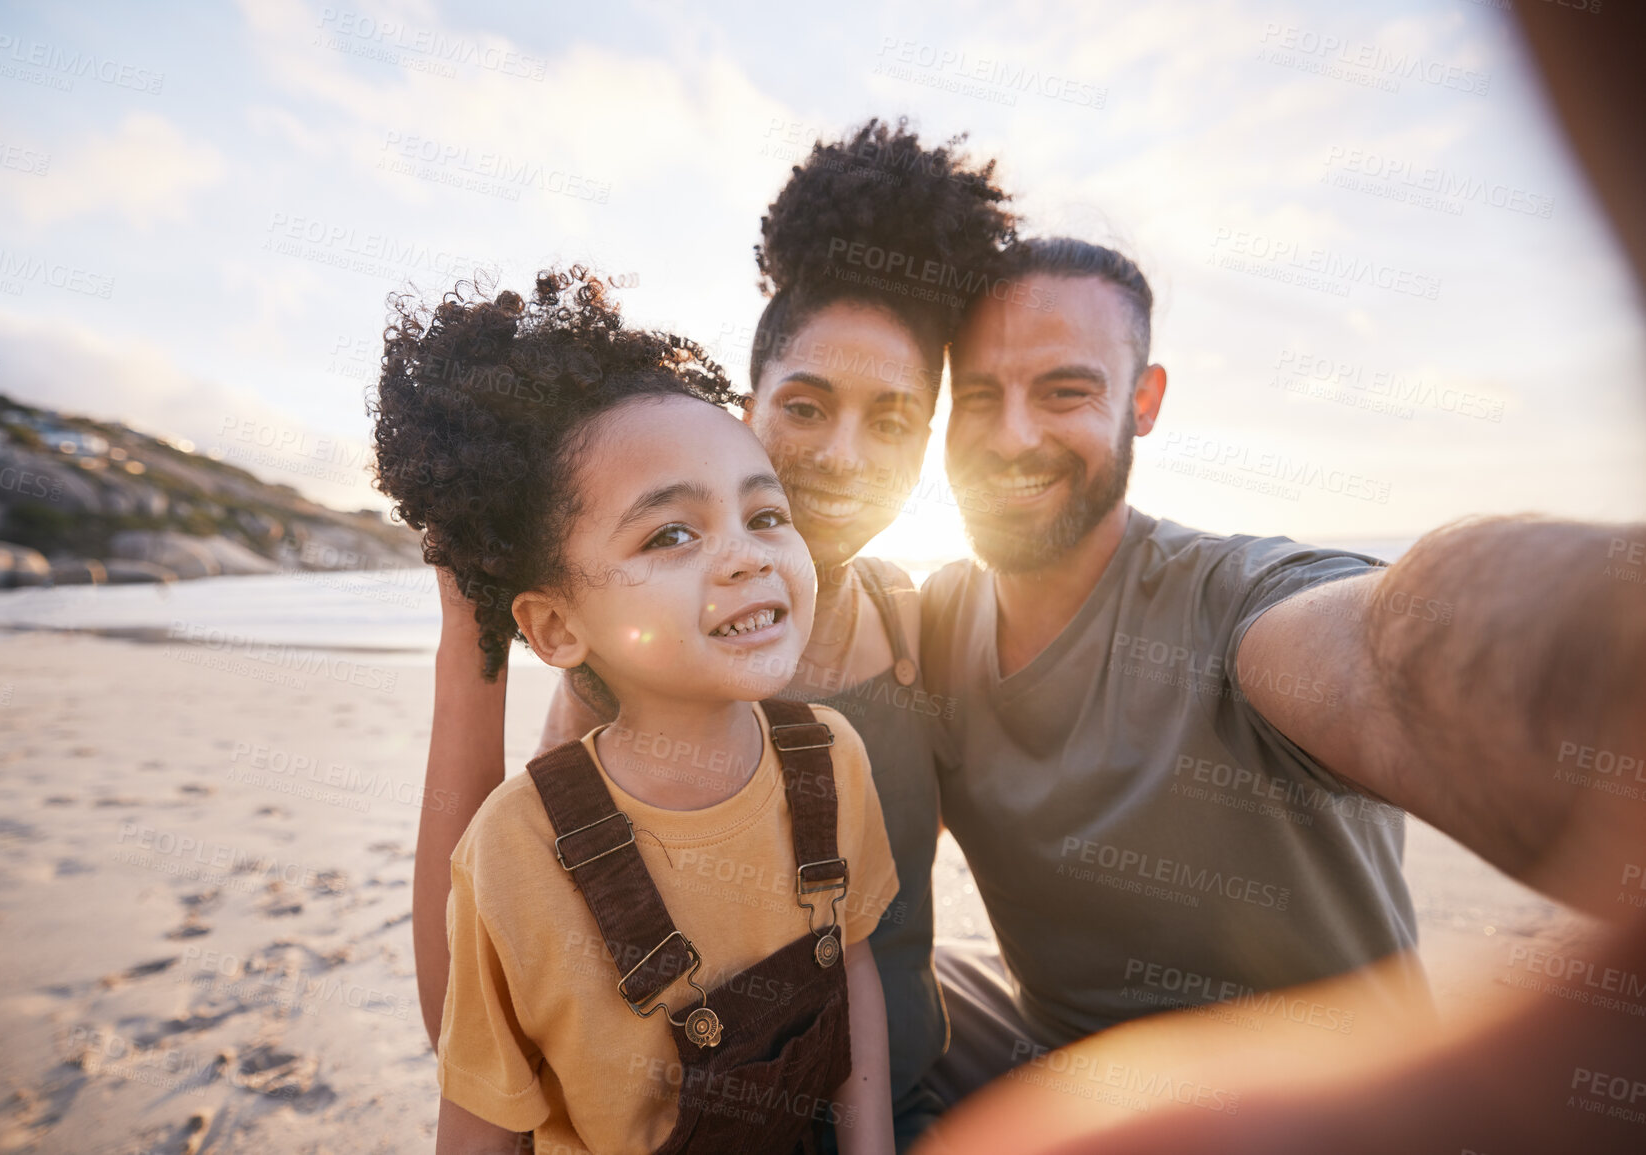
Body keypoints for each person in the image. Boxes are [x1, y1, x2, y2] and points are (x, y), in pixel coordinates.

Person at [915, 232, 1646, 1129]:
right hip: (1054, 1056)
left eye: (1065, 390)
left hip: (1333, 1109)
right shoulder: (937, 625)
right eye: (979, 395)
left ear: (1143, 402)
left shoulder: (1236, 606)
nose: (1012, 433)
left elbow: (1398, 652)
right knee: (826, 985)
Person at [411, 119, 1017, 1152]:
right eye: (807, 404)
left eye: (893, 420)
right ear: (745, 408)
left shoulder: (922, 628)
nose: (842, 454)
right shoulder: (632, 674)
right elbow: (478, 1004)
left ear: (928, 442)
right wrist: (469, 631)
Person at [373, 267, 899, 1155]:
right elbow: (480, 1112)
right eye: (670, 534)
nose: (745, 556)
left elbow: (850, 972)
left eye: (765, 513)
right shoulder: (514, 847)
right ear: (552, 624)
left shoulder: (831, 761)